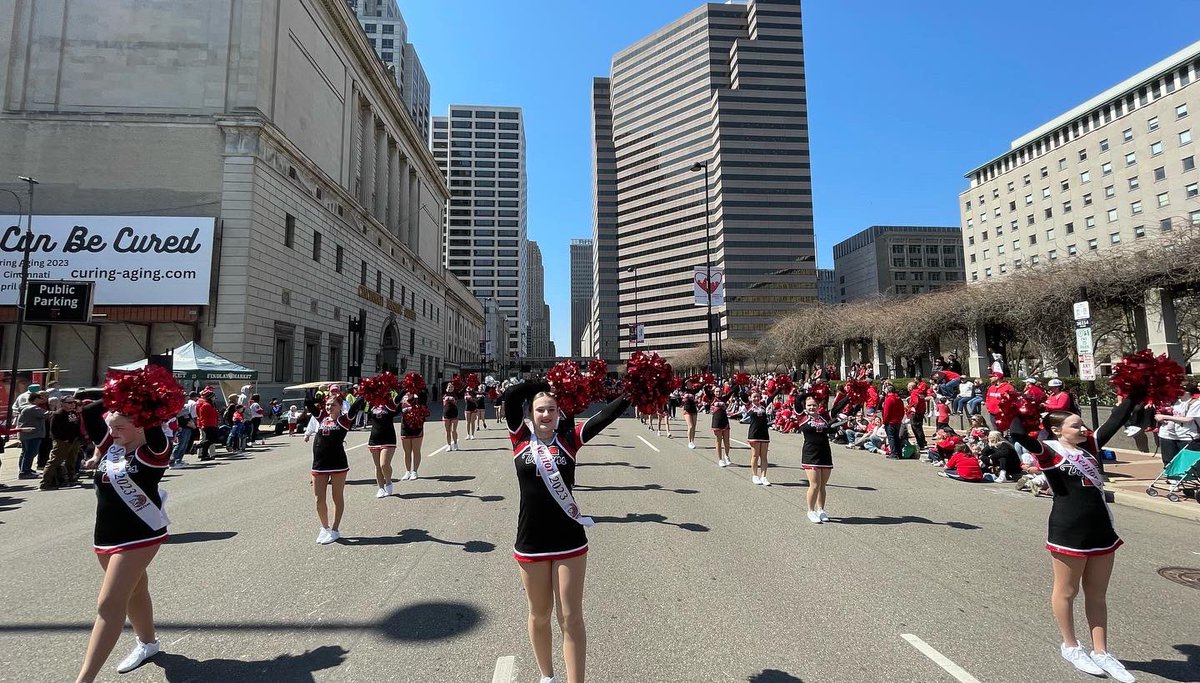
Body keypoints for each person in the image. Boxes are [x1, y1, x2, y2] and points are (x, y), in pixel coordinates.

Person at [503, 380, 628, 683]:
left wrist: (631, 395)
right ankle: (547, 676)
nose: (546, 414)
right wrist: (545, 384)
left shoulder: (569, 440)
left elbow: (604, 417)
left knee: (570, 617)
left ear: (559, 413)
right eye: (540, 409)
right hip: (531, 541)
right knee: (540, 614)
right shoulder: (519, 438)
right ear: (530, 415)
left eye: (552, 409)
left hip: (569, 540)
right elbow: (510, 397)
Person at [1008, 398, 1138, 682]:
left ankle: (1101, 652)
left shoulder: (1090, 449)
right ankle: (1070, 646)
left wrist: (1136, 392)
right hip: (1069, 529)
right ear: (1057, 431)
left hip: (1101, 527)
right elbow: (1017, 433)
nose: (1083, 429)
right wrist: (1021, 407)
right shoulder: (1049, 453)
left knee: (1097, 594)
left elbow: (1115, 420)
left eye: (1082, 424)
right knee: (1067, 591)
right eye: (1075, 425)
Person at [75, 389, 174, 682]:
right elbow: (90, 411)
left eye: (120, 427)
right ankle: (148, 644)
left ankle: (84, 679)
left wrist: (140, 398)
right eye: (112, 426)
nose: (113, 431)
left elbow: (154, 427)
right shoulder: (112, 446)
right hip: (105, 535)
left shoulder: (153, 451)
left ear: (140, 425)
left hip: (140, 534)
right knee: (136, 591)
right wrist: (118, 392)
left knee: (109, 605)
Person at [304, 395, 362, 544]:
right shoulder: (322, 417)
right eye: (328, 404)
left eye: (333, 405)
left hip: (338, 463)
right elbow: (309, 403)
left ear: (341, 406)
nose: (329, 407)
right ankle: (325, 528)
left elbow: (356, 406)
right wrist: (319, 394)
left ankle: (335, 530)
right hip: (319, 464)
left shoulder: (344, 420)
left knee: (337, 497)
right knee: (319, 499)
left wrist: (365, 394)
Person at [797, 395, 849, 523]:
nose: (812, 407)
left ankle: (821, 510)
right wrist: (808, 392)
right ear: (805, 407)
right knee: (814, 485)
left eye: (814, 405)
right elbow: (798, 401)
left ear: (818, 406)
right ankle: (811, 510)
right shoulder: (802, 416)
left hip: (825, 453)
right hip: (810, 454)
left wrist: (849, 397)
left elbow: (837, 408)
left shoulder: (824, 417)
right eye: (809, 405)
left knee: (822, 485)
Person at [40, 394, 85, 489]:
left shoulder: (73, 413)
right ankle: (45, 483)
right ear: (62, 404)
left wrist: (79, 438)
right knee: (54, 461)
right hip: (62, 442)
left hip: (74, 440)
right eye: (69, 403)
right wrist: (64, 439)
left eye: (73, 402)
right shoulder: (58, 414)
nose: (72, 404)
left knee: (71, 461)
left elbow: (76, 426)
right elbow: (54, 430)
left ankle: (70, 478)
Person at [1154, 382, 1200, 468]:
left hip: (1186, 435)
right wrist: (1164, 413)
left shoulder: (1195, 403)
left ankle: (1185, 477)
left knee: (1187, 462)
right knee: (1169, 459)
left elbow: (1188, 419)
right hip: (1168, 434)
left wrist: (1164, 416)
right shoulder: (1175, 401)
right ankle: (1171, 476)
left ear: (1187, 392)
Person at [366, 392, 401, 498]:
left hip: (388, 438)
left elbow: (398, 399)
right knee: (378, 466)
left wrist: (407, 388)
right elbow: (366, 410)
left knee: (384, 464)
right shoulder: (372, 404)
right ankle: (381, 488)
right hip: (374, 439)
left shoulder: (390, 404)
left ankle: (389, 481)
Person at [17, 393, 49, 478]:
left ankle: (24, 469)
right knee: (31, 453)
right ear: (35, 399)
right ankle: (25, 472)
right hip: (33, 434)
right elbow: (47, 415)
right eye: (40, 398)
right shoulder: (33, 408)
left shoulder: (24, 407)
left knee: (25, 452)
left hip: (25, 434)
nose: (42, 400)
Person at [399, 386, 428, 481]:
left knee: (416, 450)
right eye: (407, 391)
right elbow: (395, 410)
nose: (408, 393)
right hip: (405, 428)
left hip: (417, 428)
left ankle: (414, 471)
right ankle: (407, 471)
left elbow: (425, 411)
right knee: (407, 452)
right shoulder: (402, 401)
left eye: (410, 391)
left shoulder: (419, 400)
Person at [745, 392, 771, 485]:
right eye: (754, 397)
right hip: (754, 434)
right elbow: (742, 394)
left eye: (757, 396)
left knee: (764, 456)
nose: (756, 398)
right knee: (755, 455)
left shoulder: (763, 405)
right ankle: (755, 475)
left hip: (764, 434)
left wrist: (780, 387)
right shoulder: (749, 406)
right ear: (750, 398)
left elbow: (772, 396)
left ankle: (763, 477)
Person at [193, 388, 221, 460]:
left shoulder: (209, 404)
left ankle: (204, 453)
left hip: (211, 424)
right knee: (211, 439)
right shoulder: (205, 405)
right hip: (208, 424)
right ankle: (199, 447)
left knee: (210, 439)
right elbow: (204, 416)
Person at [880, 384, 906, 458]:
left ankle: (894, 453)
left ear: (888, 391)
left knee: (891, 438)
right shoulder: (899, 399)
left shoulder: (888, 399)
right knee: (896, 437)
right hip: (897, 421)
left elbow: (886, 413)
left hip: (890, 421)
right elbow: (902, 411)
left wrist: (885, 422)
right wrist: (900, 419)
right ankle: (899, 453)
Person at [710, 387, 731, 467]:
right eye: (716, 391)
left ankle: (727, 455)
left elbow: (732, 391)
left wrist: (738, 382)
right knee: (718, 441)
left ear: (722, 391)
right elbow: (705, 388)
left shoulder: (724, 398)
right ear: (714, 392)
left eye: (719, 391)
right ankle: (720, 459)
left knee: (727, 441)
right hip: (716, 422)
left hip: (725, 421)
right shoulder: (712, 398)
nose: (718, 393)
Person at [442, 384, 460, 451]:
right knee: (447, 431)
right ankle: (449, 445)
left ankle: (455, 443)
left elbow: (456, 402)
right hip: (446, 414)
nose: (450, 388)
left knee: (453, 430)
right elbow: (443, 404)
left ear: (453, 388)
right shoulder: (444, 395)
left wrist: (452, 399)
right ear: (447, 388)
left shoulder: (455, 395)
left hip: (454, 414)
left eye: (451, 387)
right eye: (449, 387)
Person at [680, 385, 699, 449]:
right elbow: (682, 383)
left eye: (690, 383)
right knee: (690, 426)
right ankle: (689, 441)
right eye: (688, 383)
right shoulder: (684, 390)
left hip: (693, 409)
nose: (689, 384)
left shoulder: (693, 391)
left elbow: (700, 387)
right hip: (686, 410)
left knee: (694, 426)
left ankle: (692, 441)